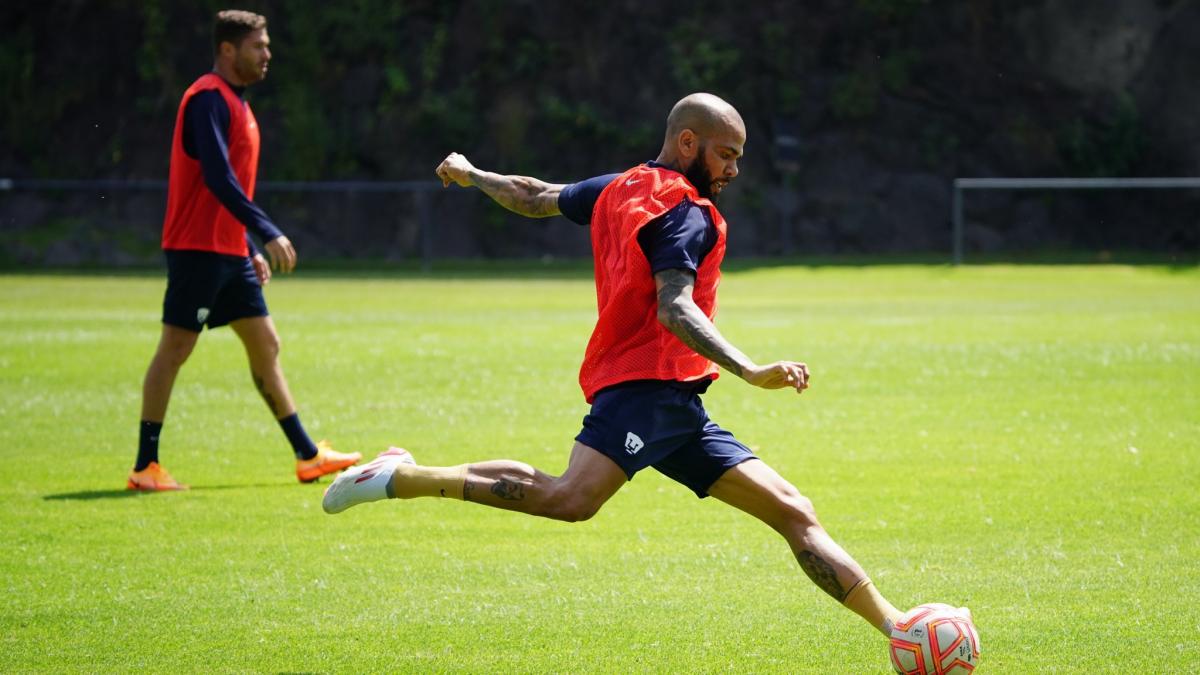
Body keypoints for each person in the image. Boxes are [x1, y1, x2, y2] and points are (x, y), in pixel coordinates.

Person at [324, 92, 933, 638]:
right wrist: (750, 370)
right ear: (687, 142)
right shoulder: (686, 212)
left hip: (679, 404)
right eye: (725, 154)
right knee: (570, 499)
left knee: (793, 512)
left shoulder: (621, 187)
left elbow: (535, 197)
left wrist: (472, 173)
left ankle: (898, 627)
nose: (733, 170)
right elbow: (675, 308)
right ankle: (400, 478)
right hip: (643, 390)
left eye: (739, 158)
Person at [128, 9, 360, 490]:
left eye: (267, 45)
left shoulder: (237, 104)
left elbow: (226, 186)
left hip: (228, 250)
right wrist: (265, 230)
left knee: (265, 344)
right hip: (196, 248)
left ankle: (307, 455)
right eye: (258, 46)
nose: (267, 54)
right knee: (175, 349)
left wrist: (245, 243)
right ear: (228, 50)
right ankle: (144, 467)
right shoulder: (206, 99)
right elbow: (216, 177)